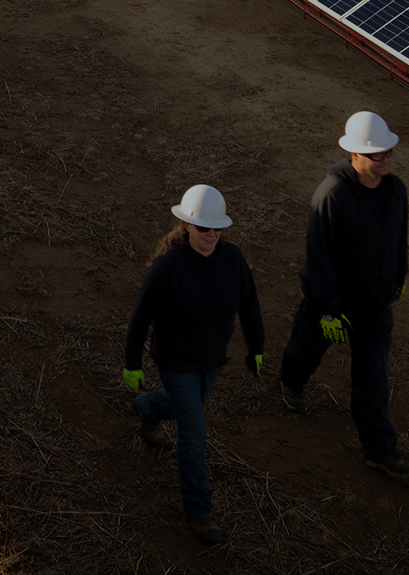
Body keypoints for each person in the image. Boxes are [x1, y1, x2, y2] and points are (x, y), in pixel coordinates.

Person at [122, 184, 265, 545]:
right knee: (193, 434)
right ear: (186, 226)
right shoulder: (167, 267)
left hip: (211, 360)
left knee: (186, 408)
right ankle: (199, 510)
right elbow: (141, 318)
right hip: (176, 361)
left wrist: (256, 346)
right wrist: (132, 363)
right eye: (204, 228)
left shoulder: (232, 260)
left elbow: (248, 303)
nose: (211, 235)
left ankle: (147, 407)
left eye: (217, 228)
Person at [279, 111, 409, 484]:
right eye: (378, 155)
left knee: (371, 377)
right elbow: (319, 256)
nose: (386, 159)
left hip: (375, 306)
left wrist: (399, 276)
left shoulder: (396, 190)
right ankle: (291, 381)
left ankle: (379, 451)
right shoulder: (331, 197)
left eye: (389, 152)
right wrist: (326, 310)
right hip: (332, 305)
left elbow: (398, 238)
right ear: (355, 156)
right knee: (305, 351)